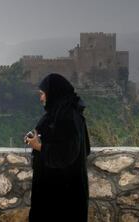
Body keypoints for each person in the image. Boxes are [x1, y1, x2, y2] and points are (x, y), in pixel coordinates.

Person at [24, 73, 91, 222]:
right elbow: (80, 147)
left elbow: (67, 153)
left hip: (62, 194)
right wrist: (35, 137)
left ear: (53, 93)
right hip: (57, 189)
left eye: (42, 94)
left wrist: (39, 146)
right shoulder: (60, 112)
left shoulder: (68, 116)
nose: (41, 98)